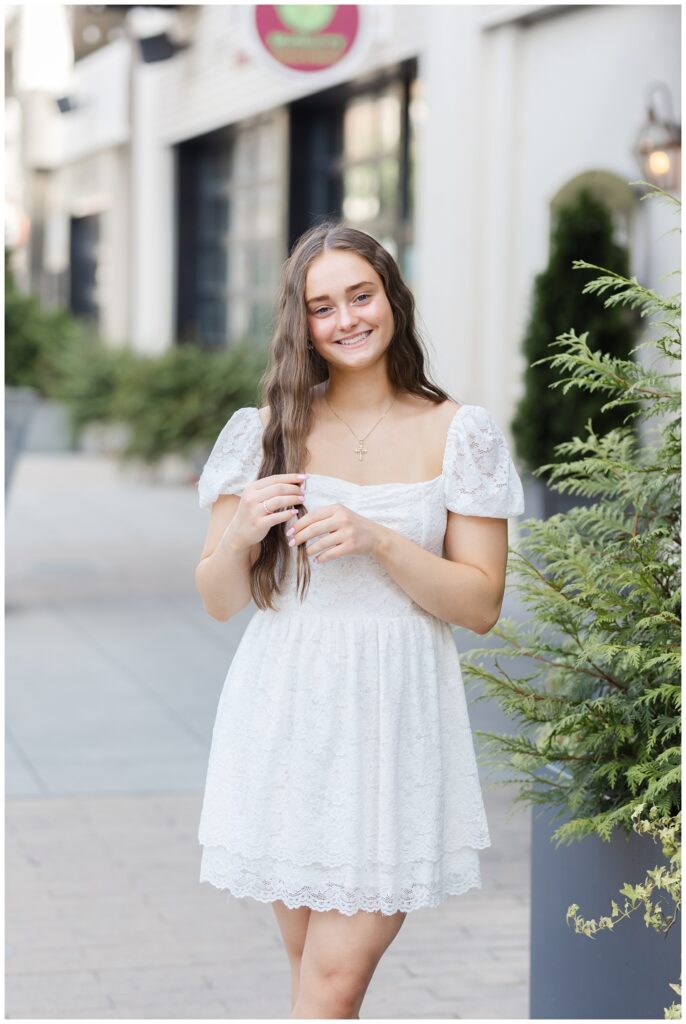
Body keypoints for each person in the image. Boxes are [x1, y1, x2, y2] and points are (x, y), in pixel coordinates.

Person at [194, 221, 525, 1019]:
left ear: (393, 298)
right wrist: (242, 533)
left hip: (392, 724)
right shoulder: (266, 429)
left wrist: (378, 540)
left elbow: (480, 605)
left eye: (360, 296)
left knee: (333, 985)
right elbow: (217, 599)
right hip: (285, 713)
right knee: (312, 973)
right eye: (322, 307)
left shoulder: (458, 432)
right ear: (300, 324)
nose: (345, 320)